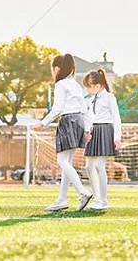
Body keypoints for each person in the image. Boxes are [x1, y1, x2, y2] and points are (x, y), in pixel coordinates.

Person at [34, 54, 93, 212]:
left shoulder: (61, 84)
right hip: (79, 120)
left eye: (53, 69)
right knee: (67, 162)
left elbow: (58, 108)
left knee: (62, 162)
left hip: (68, 121)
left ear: (57, 68)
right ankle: (62, 199)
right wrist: (87, 129)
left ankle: (82, 192)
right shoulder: (75, 85)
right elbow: (85, 108)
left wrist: (43, 122)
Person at [83, 69, 122, 210]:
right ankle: (97, 197)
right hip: (93, 133)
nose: (87, 89)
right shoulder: (90, 99)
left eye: (89, 86)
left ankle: (103, 200)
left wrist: (117, 137)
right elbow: (88, 117)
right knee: (88, 167)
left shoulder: (109, 97)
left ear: (98, 86)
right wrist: (87, 131)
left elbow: (116, 118)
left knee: (100, 166)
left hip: (105, 130)